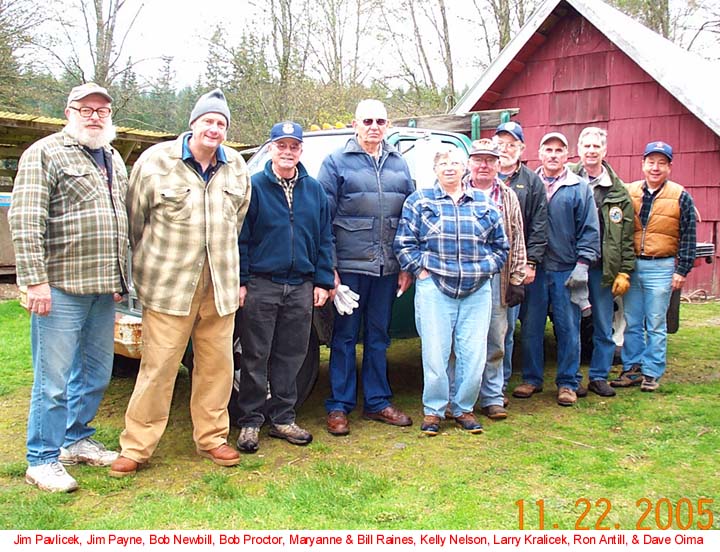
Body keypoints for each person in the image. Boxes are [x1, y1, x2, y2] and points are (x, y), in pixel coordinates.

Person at [110, 89, 251, 476]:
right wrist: (143, 272)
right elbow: (134, 223)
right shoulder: (156, 162)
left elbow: (236, 221)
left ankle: (212, 439)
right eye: (208, 120)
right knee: (158, 368)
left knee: (216, 368)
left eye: (221, 123)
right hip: (170, 287)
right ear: (193, 124)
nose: (215, 128)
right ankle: (136, 446)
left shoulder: (237, 166)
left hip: (219, 287)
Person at [9, 83, 128, 492]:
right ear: (69, 112)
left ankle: (76, 440)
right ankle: (41, 458)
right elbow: (25, 220)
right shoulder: (44, 153)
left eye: (102, 109)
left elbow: (119, 222)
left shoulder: (113, 157)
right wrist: (34, 281)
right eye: (86, 108)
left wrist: (120, 277)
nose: (95, 115)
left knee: (96, 373)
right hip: (59, 288)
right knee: (53, 380)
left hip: (102, 289)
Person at [394, 147, 508, 435]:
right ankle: (434, 411)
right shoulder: (419, 201)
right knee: (435, 353)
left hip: (477, 290)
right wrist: (421, 270)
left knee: (473, 354)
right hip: (435, 287)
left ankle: (464, 409)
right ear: (435, 169)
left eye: (455, 163)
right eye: (443, 163)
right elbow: (404, 243)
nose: (449, 168)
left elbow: (500, 246)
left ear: (464, 168)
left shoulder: (483, 202)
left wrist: (485, 270)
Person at [235, 121, 334, 453]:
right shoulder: (254, 187)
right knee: (255, 355)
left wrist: (322, 280)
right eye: (281, 146)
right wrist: (242, 281)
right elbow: (242, 240)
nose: (288, 152)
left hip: (301, 286)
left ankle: (283, 418)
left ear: (301, 150)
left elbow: (324, 239)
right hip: (263, 284)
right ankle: (250, 422)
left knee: (292, 355)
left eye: (294, 146)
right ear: (270, 148)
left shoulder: (315, 190)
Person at [318, 99, 415, 436]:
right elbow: (323, 221)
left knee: (379, 337)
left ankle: (377, 402)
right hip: (349, 268)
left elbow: (408, 219)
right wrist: (329, 269)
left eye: (381, 121)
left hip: (386, 269)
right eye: (368, 121)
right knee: (344, 337)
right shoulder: (335, 163)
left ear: (388, 125)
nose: (375, 126)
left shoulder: (399, 164)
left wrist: (405, 264)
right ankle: (339, 406)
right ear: (355, 124)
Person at [514, 132, 600, 406]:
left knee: (568, 328)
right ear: (539, 152)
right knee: (531, 327)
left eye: (558, 150)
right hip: (534, 269)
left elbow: (590, 229)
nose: (553, 154)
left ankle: (567, 382)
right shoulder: (528, 183)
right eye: (548, 149)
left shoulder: (579, 187)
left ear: (567, 155)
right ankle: (531, 379)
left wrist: (583, 265)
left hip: (566, 269)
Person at [612, 141, 696, 392]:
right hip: (633, 266)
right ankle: (632, 368)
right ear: (643, 164)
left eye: (661, 163)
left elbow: (689, 235)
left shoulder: (680, 196)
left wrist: (682, 270)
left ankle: (652, 371)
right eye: (651, 162)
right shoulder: (629, 191)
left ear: (669, 167)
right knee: (632, 320)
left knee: (656, 321)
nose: (655, 168)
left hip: (661, 265)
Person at [568, 127, 635, 397]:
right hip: (572, 264)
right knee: (570, 323)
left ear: (604, 151)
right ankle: (570, 378)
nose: (591, 151)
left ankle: (598, 376)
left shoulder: (618, 191)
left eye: (597, 146)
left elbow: (627, 236)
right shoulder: (567, 179)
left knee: (603, 323)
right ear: (579, 149)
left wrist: (625, 271)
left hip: (603, 268)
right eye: (587, 146)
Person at [464, 139, 526, 420]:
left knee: (496, 338)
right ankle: (461, 396)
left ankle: (492, 395)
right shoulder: (454, 190)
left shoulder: (507, 195)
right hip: (462, 276)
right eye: (478, 159)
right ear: (469, 163)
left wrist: (516, 278)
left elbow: (518, 237)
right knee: (460, 340)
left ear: (498, 164)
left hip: (497, 277)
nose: (484, 165)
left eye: (490, 160)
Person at [493, 122, 548, 403]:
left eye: (511, 144)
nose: (505, 149)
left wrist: (530, 263)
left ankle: (500, 385)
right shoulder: (479, 175)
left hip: (513, 266)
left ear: (522, 149)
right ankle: (479, 384)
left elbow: (539, 225)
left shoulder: (532, 181)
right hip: (482, 269)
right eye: (500, 144)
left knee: (507, 328)